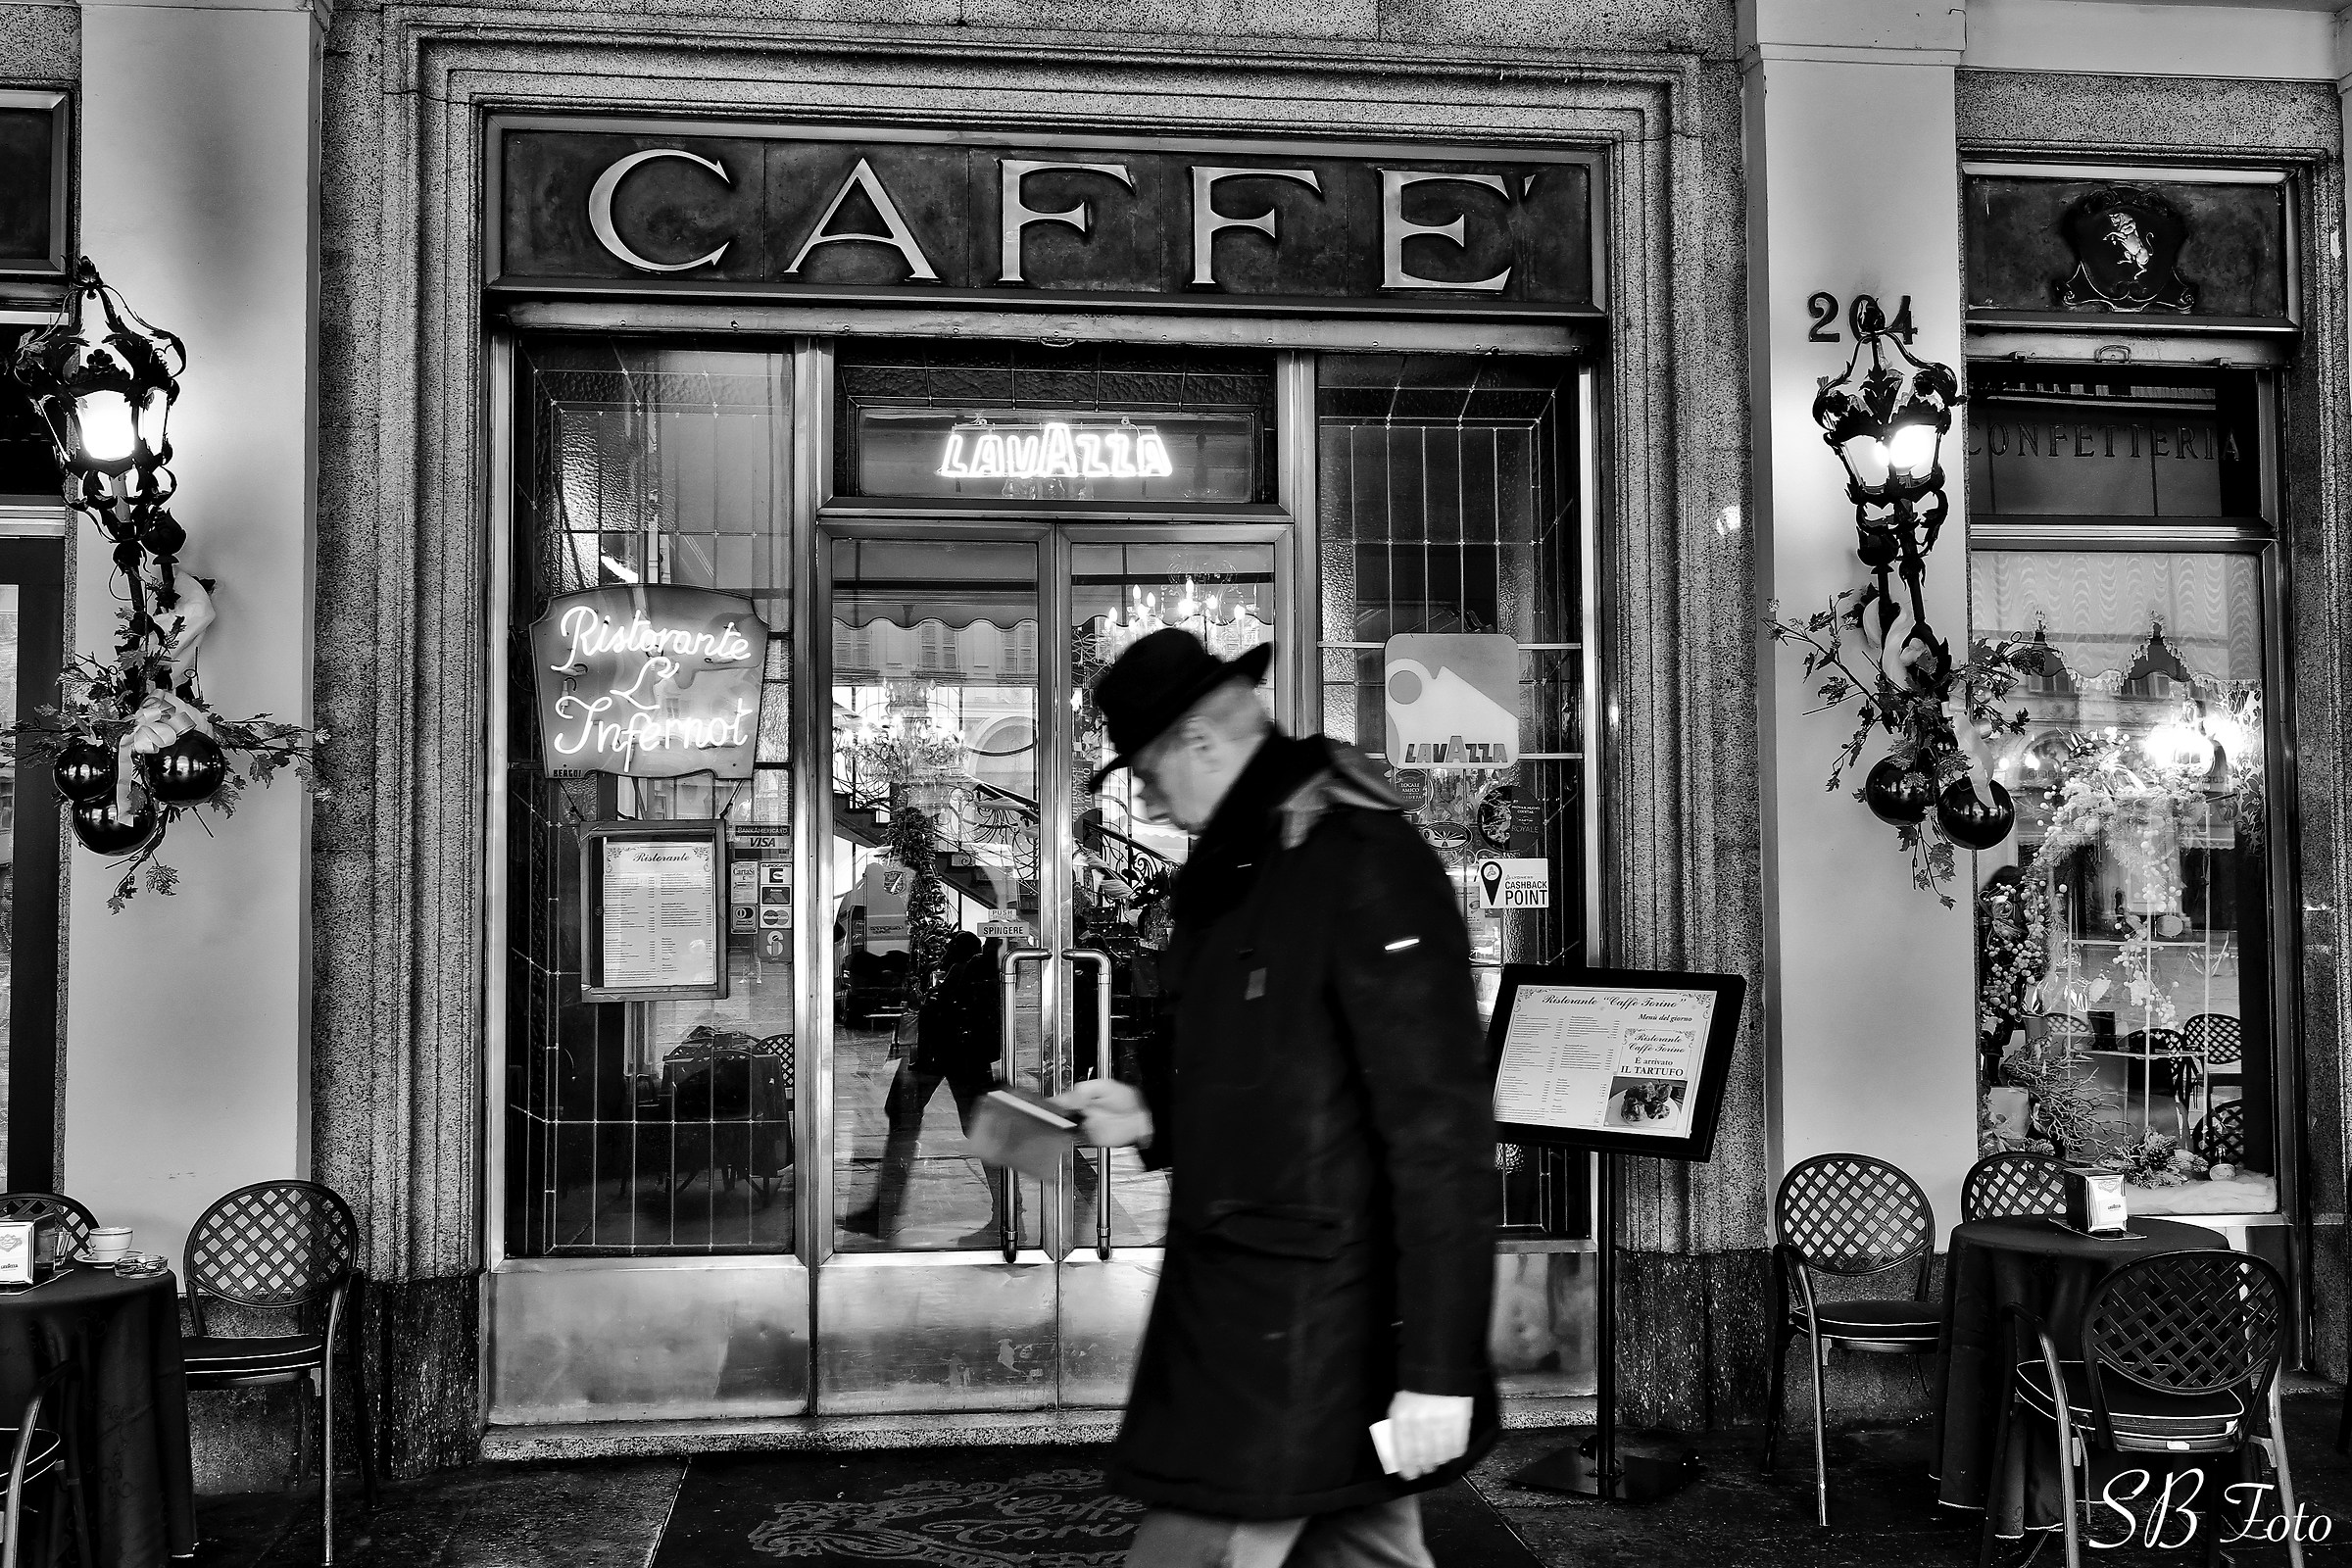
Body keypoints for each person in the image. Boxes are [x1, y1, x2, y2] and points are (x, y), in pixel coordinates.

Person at [1055, 628, 1499, 1568]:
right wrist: (1146, 1113)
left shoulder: (1356, 860)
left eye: (1145, 777)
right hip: (1260, 1318)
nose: (1149, 801)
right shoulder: (1245, 867)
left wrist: (1437, 1371)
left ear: (1199, 747)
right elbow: (1260, 1066)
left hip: (1305, 1336)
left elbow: (1439, 1131)